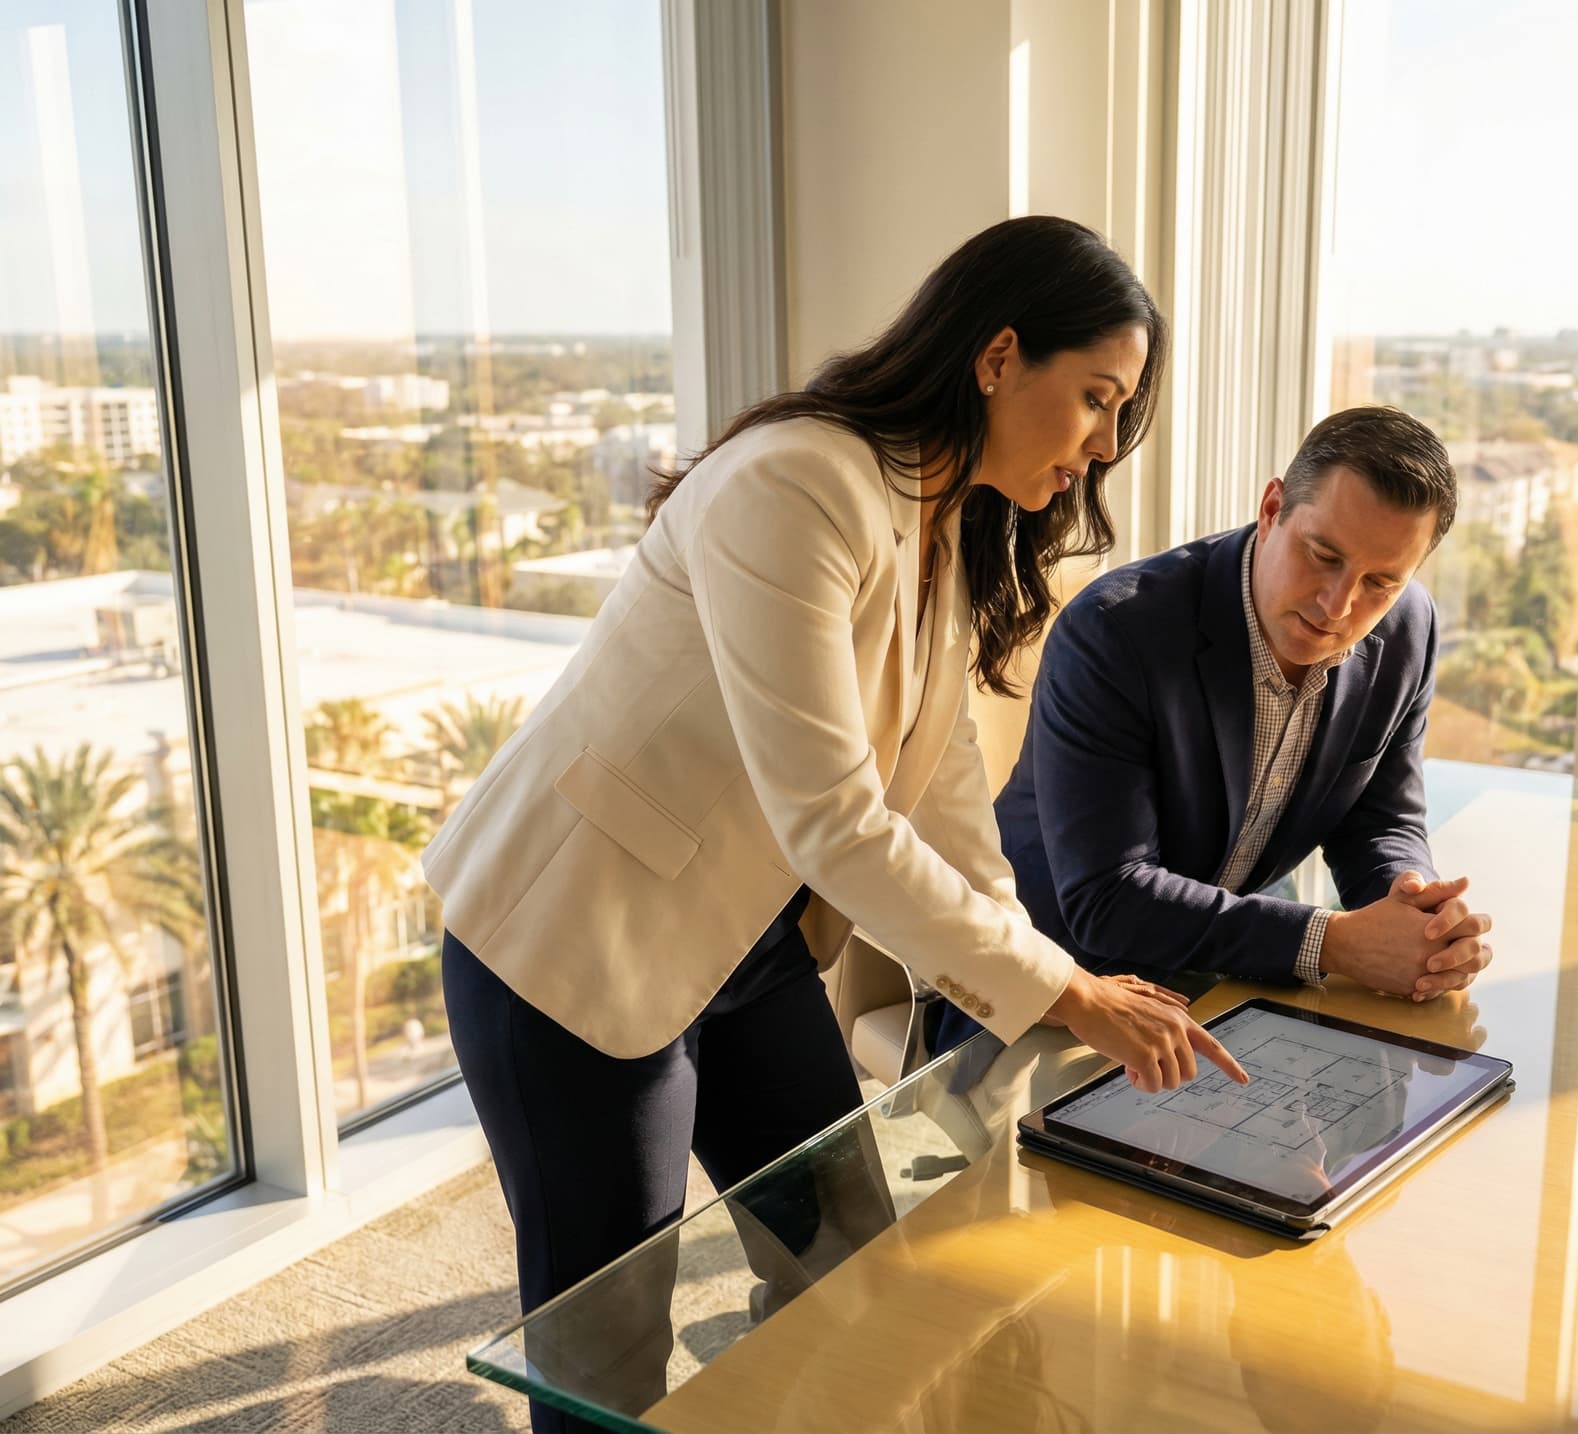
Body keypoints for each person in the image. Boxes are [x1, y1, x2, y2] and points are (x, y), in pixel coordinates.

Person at [419, 216, 1247, 1431]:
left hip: (745, 948)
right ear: (998, 355)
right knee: (608, 1357)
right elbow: (838, 822)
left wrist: (1044, 974)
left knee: (854, 1251)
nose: (1104, 445)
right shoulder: (797, 483)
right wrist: (1068, 997)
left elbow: (947, 786)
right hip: (569, 948)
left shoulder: (949, 525)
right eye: (1095, 399)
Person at [936, 405, 1492, 1054]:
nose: (1338, 605)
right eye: (1324, 555)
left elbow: (1378, 818)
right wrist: (1334, 943)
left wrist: (1417, 917)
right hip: (1049, 1001)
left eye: (1380, 582)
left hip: (1225, 990)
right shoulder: (1117, 632)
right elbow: (1108, 897)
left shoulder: (1408, 630)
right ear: (1272, 507)